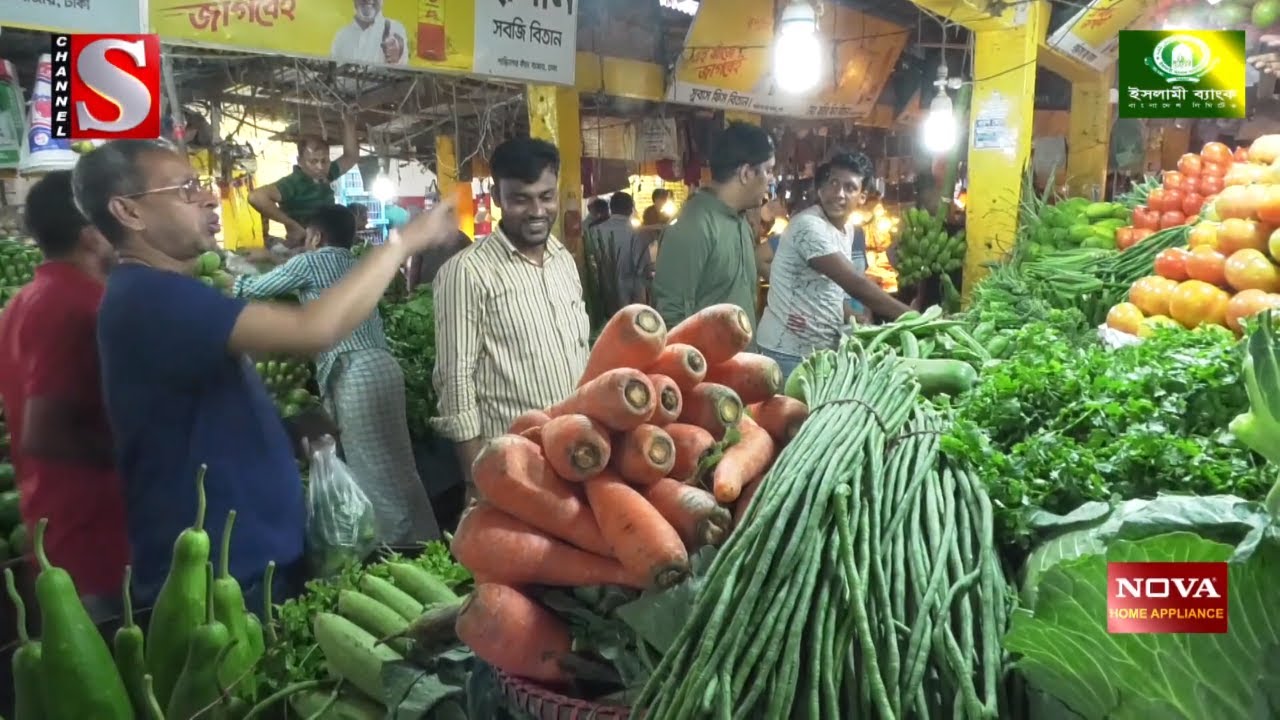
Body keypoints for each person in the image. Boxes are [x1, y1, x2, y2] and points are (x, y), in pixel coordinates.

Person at [74, 139, 458, 614]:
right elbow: (313, 329)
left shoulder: (163, 293)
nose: (209, 197)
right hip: (225, 572)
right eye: (186, 188)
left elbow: (195, 405)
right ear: (128, 212)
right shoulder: (151, 298)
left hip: (250, 556)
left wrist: (284, 429)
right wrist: (404, 241)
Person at [232, 205, 440, 544]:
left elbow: (250, 290)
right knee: (399, 463)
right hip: (384, 367)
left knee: (371, 468)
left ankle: (393, 550)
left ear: (315, 236)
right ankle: (426, 539)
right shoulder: (354, 264)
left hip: (353, 369)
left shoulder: (310, 261)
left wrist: (228, 273)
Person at [0, 171, 128, 621]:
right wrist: (141, 455)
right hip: (98, 544)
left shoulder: (22, 302)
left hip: (56, 530)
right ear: (92, 234)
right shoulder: (78, 306)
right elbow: (46, 431)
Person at [432, 137, 589, 500]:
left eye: (546, 196)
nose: (537, 210)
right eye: (521, 198)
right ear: (498, 198)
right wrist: (476, 479)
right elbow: (455, 380)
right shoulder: (468, 272)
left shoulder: (564, 260)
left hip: (576, 457)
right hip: (513, 467)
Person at [756, 154, 912, 379]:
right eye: (834, 183)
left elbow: (831, 290)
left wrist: (850, 315)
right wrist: (914, 317)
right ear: (821, 190)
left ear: (862, 197)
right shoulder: (809, 226)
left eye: (850, 187)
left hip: (817, 352)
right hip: (786, 353)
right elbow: (854, 284)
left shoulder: (847, 229)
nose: (839, 193)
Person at [652, 121, 774, 331]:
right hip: (709, 363)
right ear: (746, 173)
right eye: (769, 170)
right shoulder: (694, 227)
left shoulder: (740, 222)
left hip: (744, 359)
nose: (772, 179)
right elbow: (671, 315)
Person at [249, 114, 361, 250]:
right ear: (300, 161)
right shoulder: (294, 183)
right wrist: (291, 225)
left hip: (327, 247)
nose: (320, 166)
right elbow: (256, 197)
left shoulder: (327, 174)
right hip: (303, 248)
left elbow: (351, 156)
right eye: (313, 161)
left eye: (324, 160)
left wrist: (349, 122)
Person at [331, 0, 408, 65]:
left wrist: (397, 56)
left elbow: (402, 69)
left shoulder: (395, 28)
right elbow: (333, 74)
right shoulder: (342, 35)